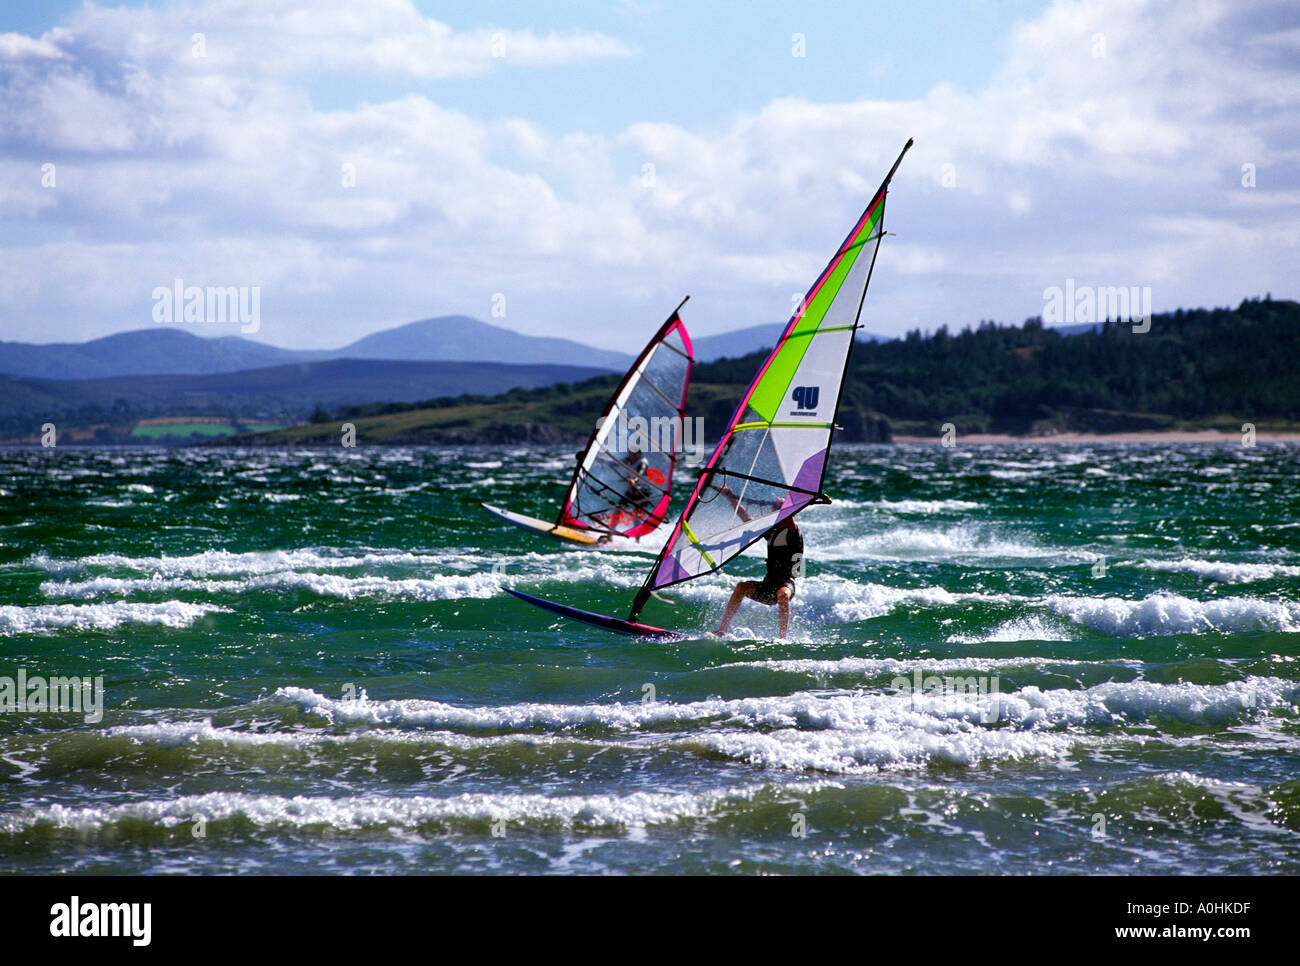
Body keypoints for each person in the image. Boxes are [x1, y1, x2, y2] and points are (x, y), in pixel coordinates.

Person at [713, 485, 803, 639]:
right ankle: (722, 630)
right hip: (768, 586)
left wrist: (786, 505)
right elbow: (746, 518)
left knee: (782, 594)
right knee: (741, 587)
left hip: (786, 584)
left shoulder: (793, 533)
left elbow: (789, 517)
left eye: (777, 512)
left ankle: (783, 638)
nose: (773, 514)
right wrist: (730, 497)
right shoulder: (771, 533)